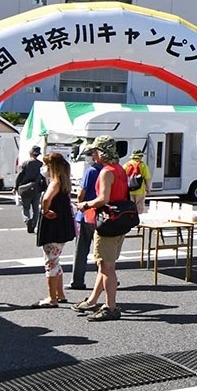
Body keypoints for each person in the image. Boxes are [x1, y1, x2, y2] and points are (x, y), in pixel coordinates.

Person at [74, 137, 131, 322]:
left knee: (107, 266)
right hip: (120, 221)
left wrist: (85, 205)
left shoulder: (106, 171)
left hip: (107, 221)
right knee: (103, 264)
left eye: (95, 151)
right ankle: (92, 300)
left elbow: (103, 199)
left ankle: (111, 307)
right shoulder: (120, 169)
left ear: (102, 152)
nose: (93, 154)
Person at [33, 150, 77, 308]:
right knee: (56, 259)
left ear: (52, 166)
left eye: (45, 164)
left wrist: (45, 211)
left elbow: (46, 199)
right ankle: (60, 294)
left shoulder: (55, 182)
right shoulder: (64, 181)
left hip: (53, 226)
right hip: (63, 226)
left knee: (50, 261)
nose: (43, 167)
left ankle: (52, 298)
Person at [68, 147, 102, 290]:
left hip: (87, 213)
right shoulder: (110, 170)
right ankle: (107, 279)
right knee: (102, 251)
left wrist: (79, 203)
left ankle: (77, 281)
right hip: (102, 215)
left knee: (81, 250)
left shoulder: (91, 171)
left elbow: (82, 192)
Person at [15, 146, 46, 230]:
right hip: (37, 188)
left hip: (26, 188)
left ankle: (27, 220)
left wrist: (16, 187)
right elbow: (43, 177)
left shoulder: (26, 163)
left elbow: (20, 176)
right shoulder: (40, 164)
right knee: (36, 208)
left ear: (31, 153)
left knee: (26, 207)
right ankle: (33, 224)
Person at [124, 150, 151, 214]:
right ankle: (138, 220)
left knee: (130, 206)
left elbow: (122, 178)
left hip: (129, 189)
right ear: (140, 157)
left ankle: (130, 219)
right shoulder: (143, 165)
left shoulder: (126, 165)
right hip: (140, 190)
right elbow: (147, 178)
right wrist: (148, 189)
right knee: (139, 206)